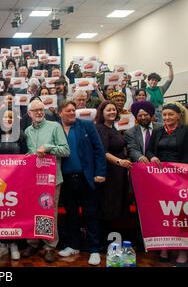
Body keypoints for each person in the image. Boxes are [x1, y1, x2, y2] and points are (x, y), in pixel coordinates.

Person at [57, 101, 106, 266]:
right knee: (71, 215)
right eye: (68, 110)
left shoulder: (86, 125)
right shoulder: (55, 128)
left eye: (73, 110)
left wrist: (100, 172)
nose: (72, 113)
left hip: (86, 178)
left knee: (91, 214)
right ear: (60, 113)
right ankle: (73, 245)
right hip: (66, 180)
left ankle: (94, 250)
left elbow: (99, 150)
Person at [22, 99, 70, 263]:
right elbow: (28, 153)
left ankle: (49, 246)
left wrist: (48, 147)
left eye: (41, 109)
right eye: (35, 110)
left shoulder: (55, 126)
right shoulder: (27, 131)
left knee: (48, 212)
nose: (39, 113)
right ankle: (33, 243)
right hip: (32, 180)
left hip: (51, 180)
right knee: (31, 212)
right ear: (29, 114)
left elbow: (65, 150)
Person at [146, 102, 188, 266]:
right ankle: (164, 246)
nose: (167, 117)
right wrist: (152, 157)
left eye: (170, 114)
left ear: (179, 116)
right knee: (163, 213)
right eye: (164, 115)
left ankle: (183, 251)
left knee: (180, 214)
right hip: (160, 178)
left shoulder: (186, 131)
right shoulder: (157, 131)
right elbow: (149, 150)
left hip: (182, 178)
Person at [0, 109, 27, 260]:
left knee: (14, 211)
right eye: (5, 116)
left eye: (11, 117)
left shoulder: (21, 135)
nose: (8, 119)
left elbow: (26, 156)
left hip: (17, 180)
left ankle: (14, 244)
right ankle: (2, 245)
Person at [95, 101, 132, 238]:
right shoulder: (100, 128)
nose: (112, 112)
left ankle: (116, 237)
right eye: (108, 110)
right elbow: (103, 152)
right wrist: (119, 161)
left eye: (114, 110)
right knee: (109, 205)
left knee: (118, 205)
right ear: (102, 112)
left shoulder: (113, 128)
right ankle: (107, 240)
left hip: (119, 172)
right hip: (109, 172)